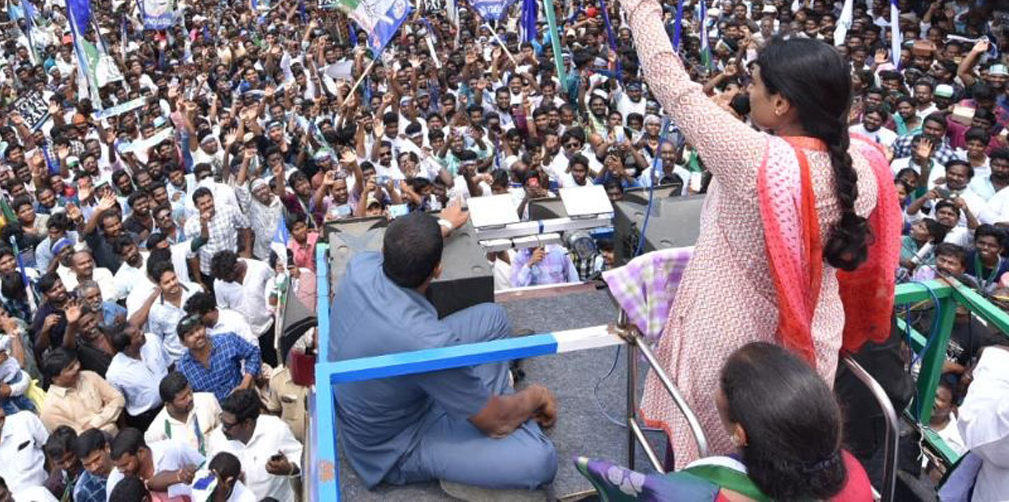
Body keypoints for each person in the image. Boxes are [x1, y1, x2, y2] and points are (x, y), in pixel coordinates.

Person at [610, 0, 900, 467]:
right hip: (808, 357)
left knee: (713, 464)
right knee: (780, 466)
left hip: (732, 352)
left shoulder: (755, 160)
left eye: (756, 87)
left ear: (783, 105)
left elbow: (670, 82)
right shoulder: (867, 161)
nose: (747, 92)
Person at [329, 212, 558, 492]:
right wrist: (536, 396)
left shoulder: (360, 265)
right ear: (437, 269)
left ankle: (480, 397)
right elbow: (494, 423)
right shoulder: (429, 341)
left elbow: (408, 245)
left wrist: (444, 226)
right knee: (540, 460)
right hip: (396, 443)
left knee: (493, 319)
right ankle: (491, 403)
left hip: (391, 390)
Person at [577, 341, 872, 501]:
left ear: (741, 433)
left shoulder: (703, 486)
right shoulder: (853, 473)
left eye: (722, 386)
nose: (716, 391)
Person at [218, 388, 301, 502]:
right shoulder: (216, 439)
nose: (223, 429)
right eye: (222, 420)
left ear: (247, 423)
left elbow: (302, 460)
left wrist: (289, 469)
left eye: (228, 425)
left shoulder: (276, 429)